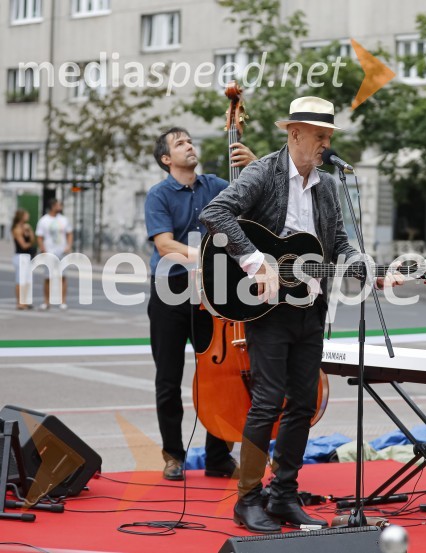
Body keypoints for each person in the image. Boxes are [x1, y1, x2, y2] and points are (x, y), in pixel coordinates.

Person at [200, 96, 403, 533]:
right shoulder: (263, 172)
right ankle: (247, 499)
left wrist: (368, 270)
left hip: (311, 306)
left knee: (303, 404)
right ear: (294, 134)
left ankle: (283, 495)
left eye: (329, 136)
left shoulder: (328, 185)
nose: (326, 144)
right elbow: (215, 213)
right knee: (267, 400)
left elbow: (339, 244)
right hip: (268, 307)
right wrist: (256, 262)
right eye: (319, 136)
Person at [145, 127, 257, 481]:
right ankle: (173, 456)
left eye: (190, 141)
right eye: (180, 143)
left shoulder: (217, 186)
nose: (189, 146)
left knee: (221, 374)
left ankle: (218, 457)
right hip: (171, 288)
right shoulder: (158, 195)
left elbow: (254, 205)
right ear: (166, 159)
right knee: (168, 378)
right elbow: (165, 245)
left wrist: (253, 166)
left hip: (212, 291)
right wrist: (207, 255)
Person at [35, 198, 72, 310]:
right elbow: (39, 236)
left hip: (61, 251)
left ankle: (63, 301)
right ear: (53, 206)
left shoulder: (64, 220)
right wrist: (43, 249)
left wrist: (68, 246)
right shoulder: (44, 220)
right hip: (49, 252)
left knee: (62, 276)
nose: (60, 207)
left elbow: (69, 233)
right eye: (58, 205)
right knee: (48, 277)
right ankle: (46, 301)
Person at [12, 209, 36, 310]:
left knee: (27, 280)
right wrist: (30, 245)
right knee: (20, 280)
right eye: (26, 215)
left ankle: (25, 301)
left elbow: (32, 239)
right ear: (21, 216)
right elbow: (23, 245)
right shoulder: (16, 229)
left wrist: (29, 230)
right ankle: (19, 302)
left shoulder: (26, 227)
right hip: (20, 256)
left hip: (28, 256)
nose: (28, 216)